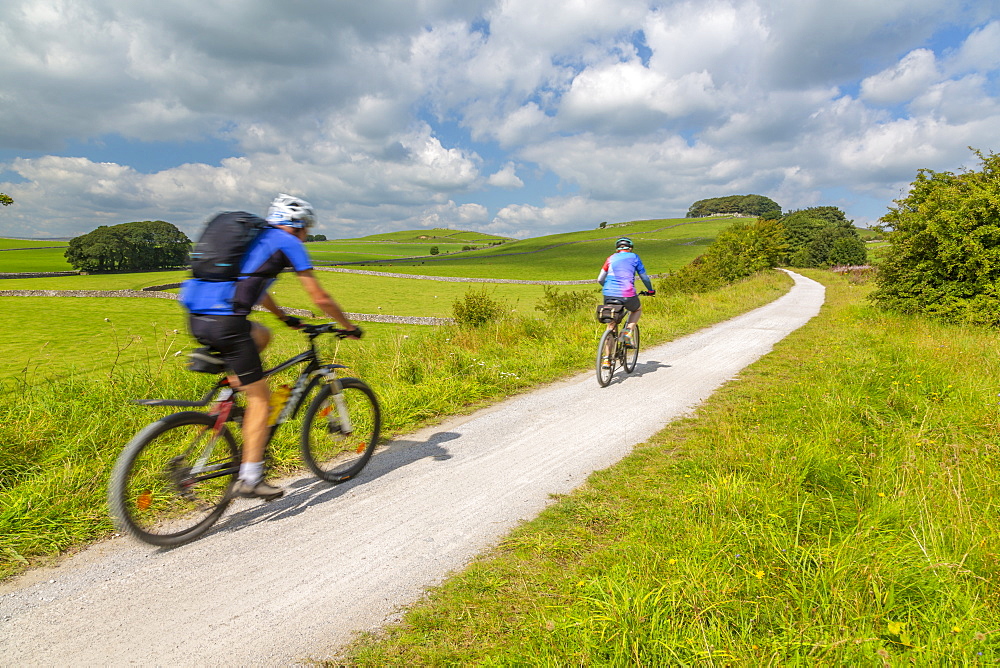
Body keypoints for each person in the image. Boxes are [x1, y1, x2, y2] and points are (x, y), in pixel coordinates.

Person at [180, 194, 362, 500]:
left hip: (197, 317)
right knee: (261, 399)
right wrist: (349, 326)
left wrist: (284, 318)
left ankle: (228, 397)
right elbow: (319, 297)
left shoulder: (256, 240)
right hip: (227, 324)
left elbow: (256, 286)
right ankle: (250, 477)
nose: (306, 234)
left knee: (262, 335)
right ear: (299, 225)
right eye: (307, 228)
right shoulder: (288, 242)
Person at [597, 237, 654, 365]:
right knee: (636, 309)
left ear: (617, 249)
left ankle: (606, 360)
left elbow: (600, 279)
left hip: (608, 294)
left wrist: (610, 288)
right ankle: (626, 334)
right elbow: (644, 277)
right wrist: (650, 290)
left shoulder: (610, 258)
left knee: (611, 324)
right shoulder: (634, 257)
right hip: (627, 293)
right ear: (630, 248)